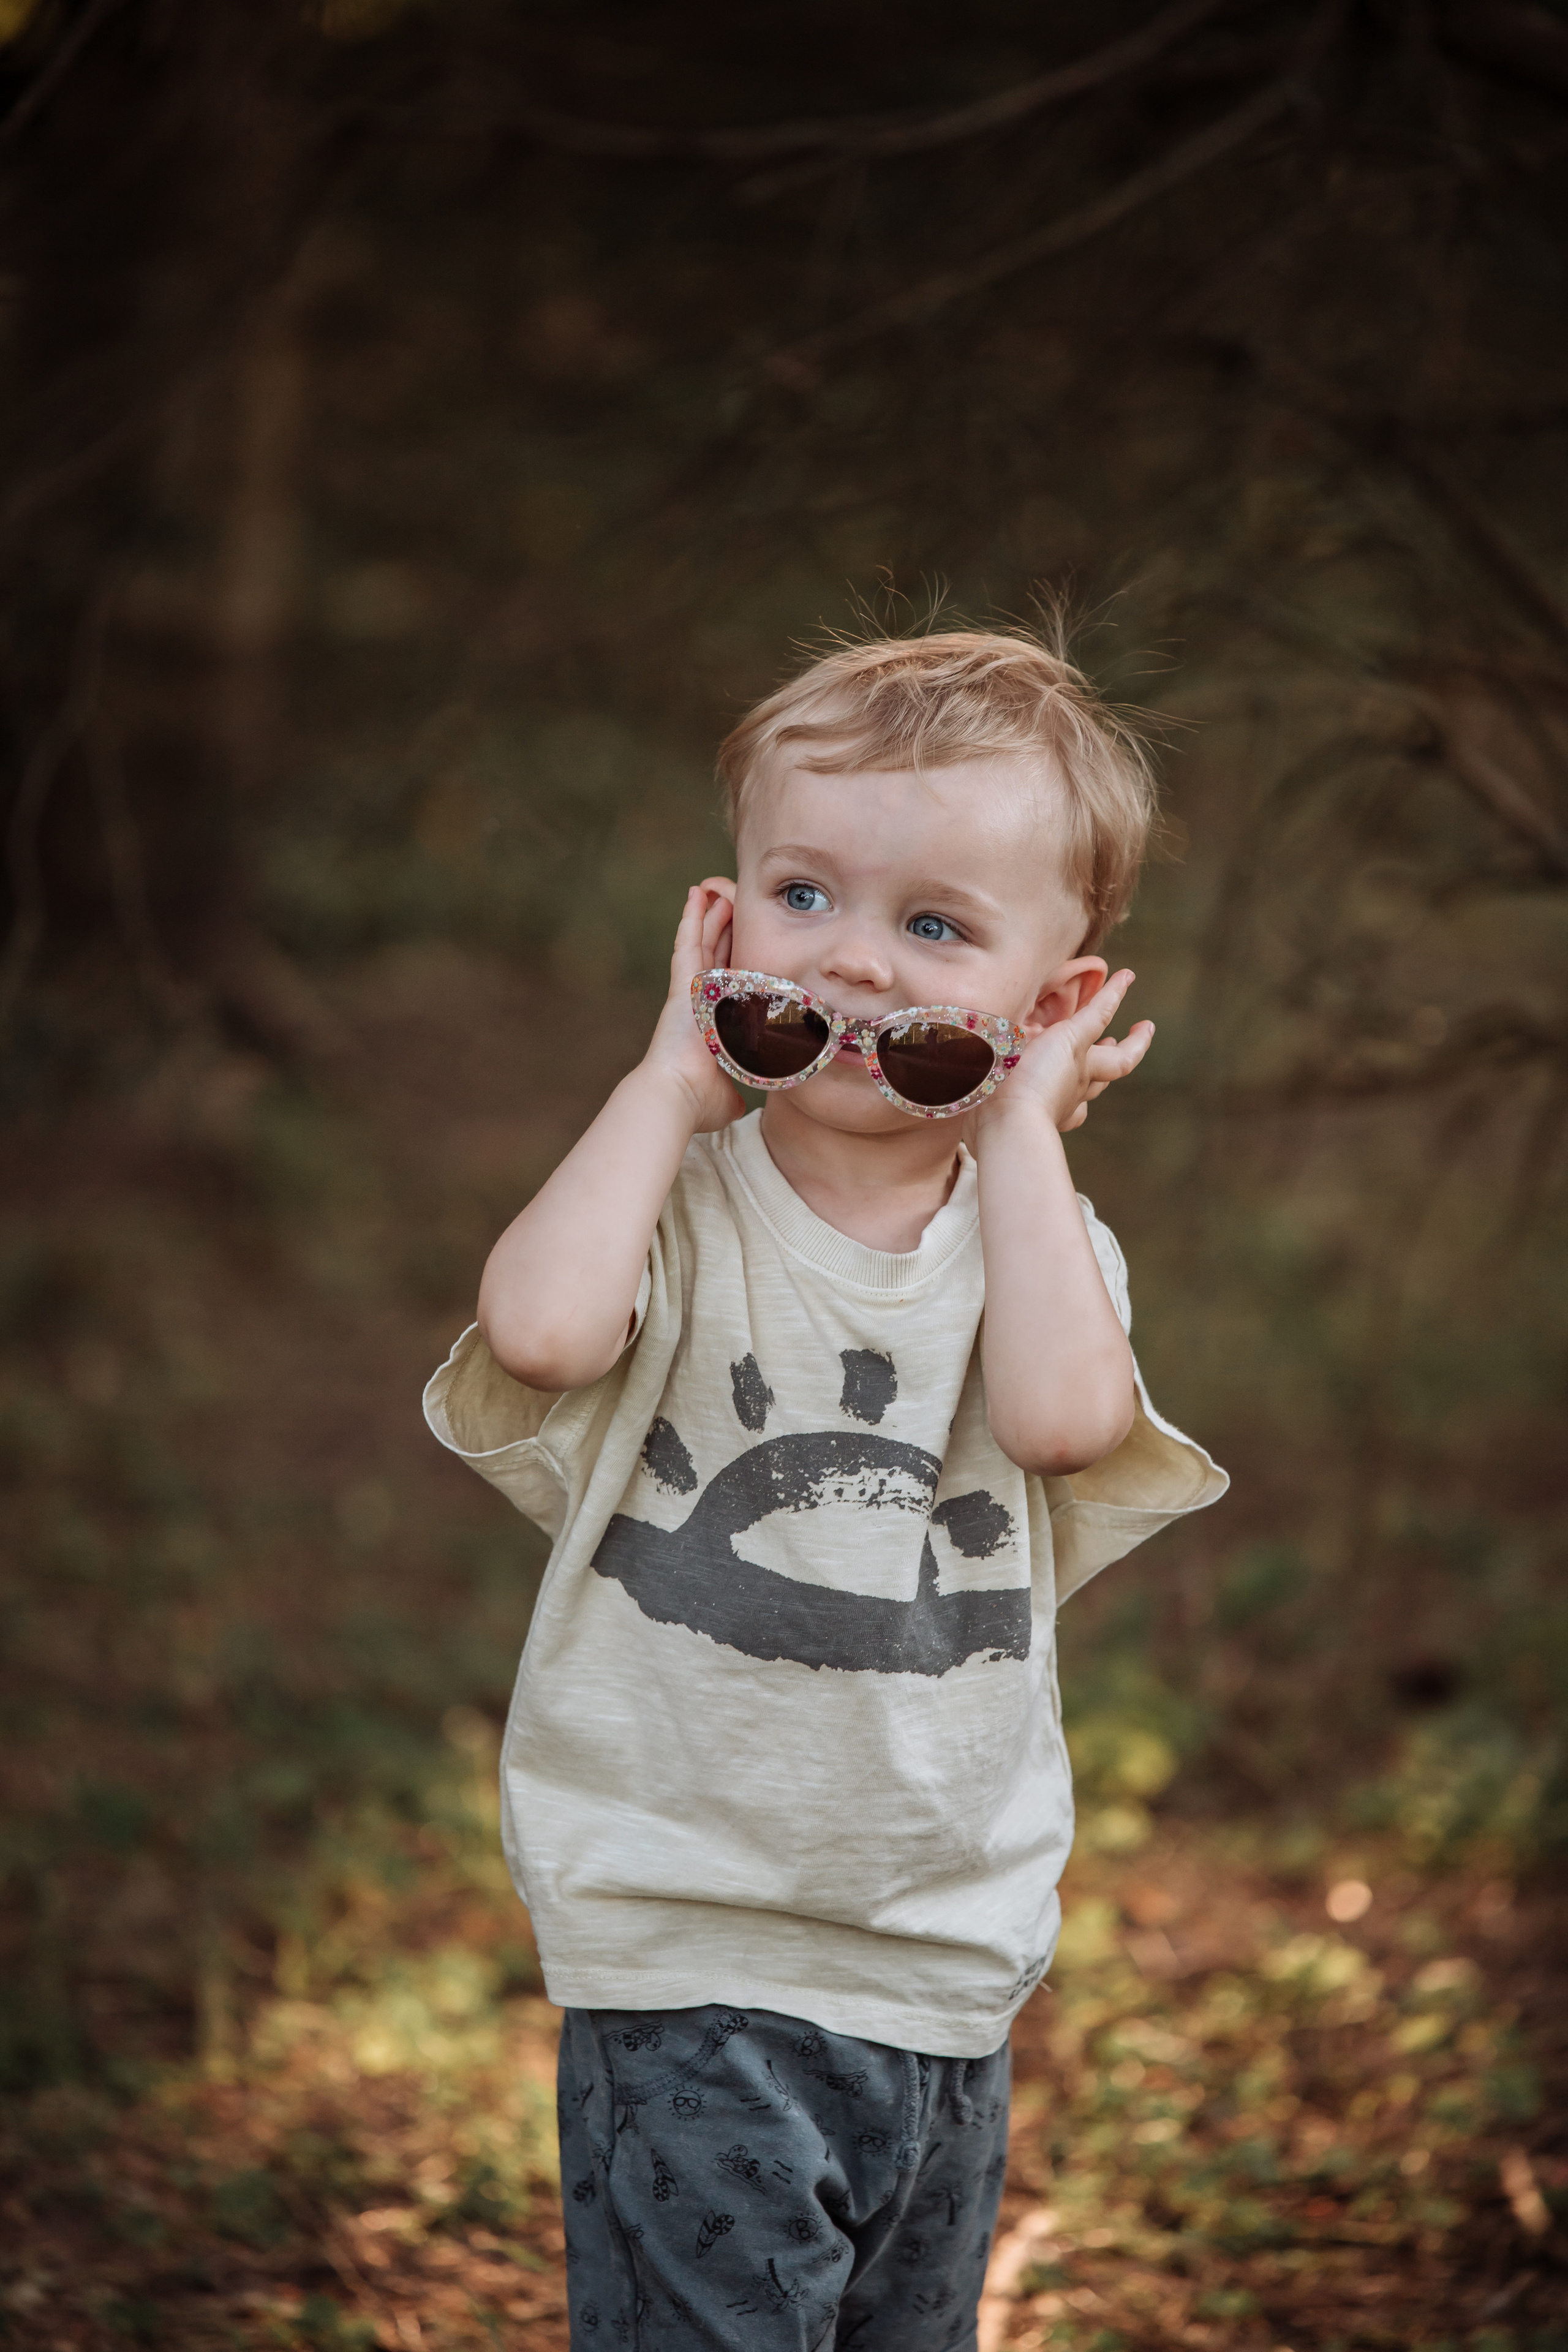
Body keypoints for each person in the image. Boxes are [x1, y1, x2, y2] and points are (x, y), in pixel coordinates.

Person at [424, 630, 1227, 2351]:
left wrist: (1020, 1131)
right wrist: (667, 1079)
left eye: (936, 927)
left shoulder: (1047, 1248)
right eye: (805, 895)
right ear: (722, 922)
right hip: (693, 1949)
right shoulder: (683, 1198)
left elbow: (1069, 1421)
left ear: (1060, 997)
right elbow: (545, 1331)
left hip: (942, 1954)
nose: (855, 959)